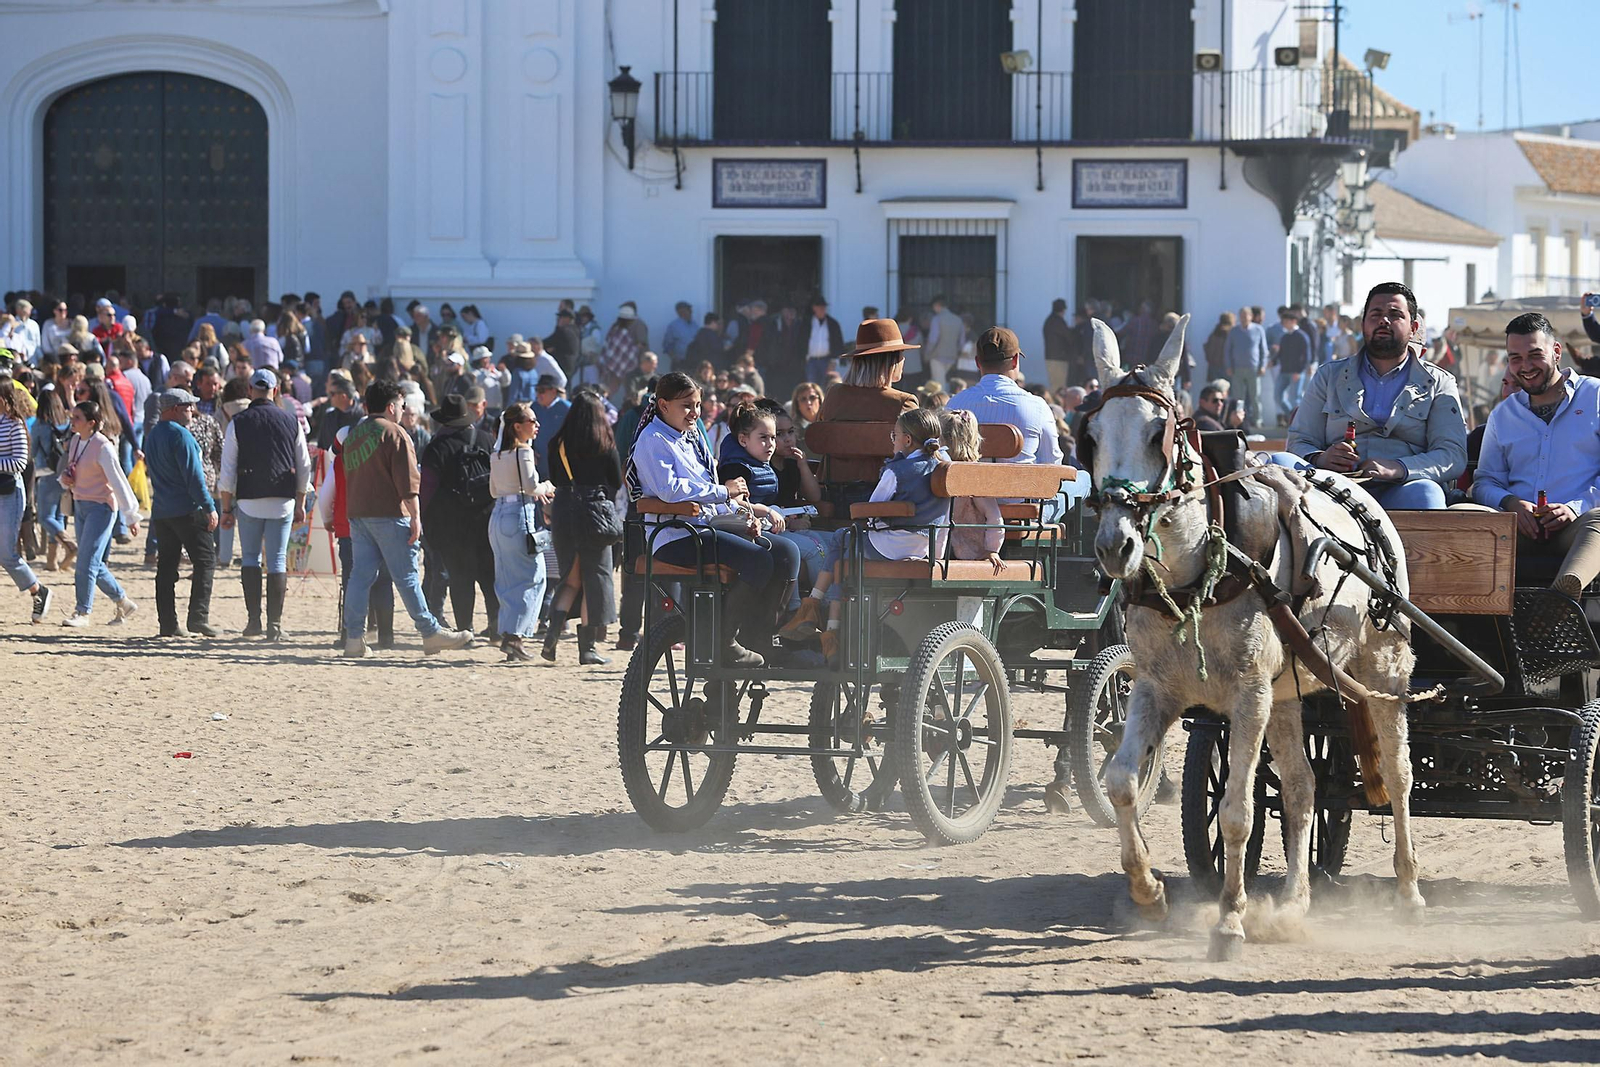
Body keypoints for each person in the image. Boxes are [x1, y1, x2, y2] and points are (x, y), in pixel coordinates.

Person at [626, 372, 798, 667]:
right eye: (687, 406)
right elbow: (671, 491)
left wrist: (741, 516)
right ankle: (724, 640)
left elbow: (709, 495)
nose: (695, 413)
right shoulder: (652, 439)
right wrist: (723, 491)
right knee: (759, 559)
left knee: (786, 552)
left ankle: (760, 637)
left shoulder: (689, 438)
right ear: (664, 405)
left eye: (697, 405)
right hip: (675, 535)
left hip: (703, 528)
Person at [779, 408, 950, 664]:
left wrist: (867, 521)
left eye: (894, 435)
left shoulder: (898, 470)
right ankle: (824, 624)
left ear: (906, 440)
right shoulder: (941, 467)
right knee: (845, 551)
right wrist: (935, 557)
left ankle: (815, 611)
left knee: (842, 538)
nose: (892, 440)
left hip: (889, 546)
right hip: (922, 547)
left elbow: (872, 507)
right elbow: (945, 518)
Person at [1280, 282, 1466, 510]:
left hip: (1401, 489)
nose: (1383, 321)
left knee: (1427, 494)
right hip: (1332, 489)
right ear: (1363, 324)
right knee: (1278, 462)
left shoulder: (1439, 382)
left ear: (1413, 327)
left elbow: (1451, 455)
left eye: (1395, 315)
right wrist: (1321, 458)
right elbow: (1300, 440)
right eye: (1376, 314)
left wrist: (1398, 468)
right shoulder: (1329, 375)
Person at [340, 379, 474, 658]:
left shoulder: (354, 434)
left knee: (360, 577)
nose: (403, 410)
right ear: (391, 407)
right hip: (390, 514)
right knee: (407, 577)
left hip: (359, 513)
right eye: (401, 405)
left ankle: (353, 638)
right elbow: (409, 483)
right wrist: (416, 517)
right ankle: (429, 632)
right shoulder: (396, 434)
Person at [1472, 312, 1600, 597]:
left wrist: (1574, 508)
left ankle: (1562, 598)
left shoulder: (1595, 395)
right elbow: (1484, 483)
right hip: (1517, 528)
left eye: (1534, 355)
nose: (1525, 366)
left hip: (1579, 526)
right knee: (1461, 515)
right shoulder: (1503, 415)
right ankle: (1462, 619)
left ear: (1556, 352)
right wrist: (1512, 503)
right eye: (1515, 358)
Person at [219, 368, 312, 641]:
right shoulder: (290, 420)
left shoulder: (238, 421)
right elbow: (304, 465)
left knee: (250, 558)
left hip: (248, 498)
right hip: (282, 498)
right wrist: (301, 501)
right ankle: (275, 625)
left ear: (250, 391)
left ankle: (253, 621)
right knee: (278, 560)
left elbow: (228, 471)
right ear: (275, 391)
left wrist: (226, 508)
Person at [544, 391, 623, 664]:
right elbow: (616, 479)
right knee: (594, 581)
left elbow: (554, 478)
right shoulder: (603, 442)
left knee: (570, 578)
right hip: (593, 511)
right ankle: (587, 650)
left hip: (564, 509)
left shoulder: (559, 442)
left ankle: (551, 636)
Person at [419, 394, 500, 639]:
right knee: (490, 578)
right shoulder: (487, 440)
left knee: (460, 579)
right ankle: (496, 627)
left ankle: (466, 629)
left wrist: (422, 518)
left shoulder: (437, 447)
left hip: (451, 525)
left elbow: (427, 488)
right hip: (486, 519)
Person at [143, 389, 220, 637]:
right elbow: (194, 479)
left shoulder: (153, 435)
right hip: (187, 509)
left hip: (163, 511)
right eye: (188, 407)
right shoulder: (181, 436)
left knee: (166, 568)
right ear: (175, 408)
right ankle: (198, 617)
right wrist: (209, 506)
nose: (192, 411)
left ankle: (168, 623)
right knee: (206, 561)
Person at [57, 400, 140, 626]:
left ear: (91, 423)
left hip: (102, 508)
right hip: (81, 504)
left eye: (77, 418)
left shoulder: (103, 446)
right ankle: (122, 601)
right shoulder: (75, 441)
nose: (72, 421)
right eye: (72, 417)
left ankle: (83, 612)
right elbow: (71, 469)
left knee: (86, 561)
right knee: (92, 561)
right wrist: (65, 479)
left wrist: (131, 516)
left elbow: (119, 482)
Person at [488, 401, 555, 662]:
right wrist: (546, 486)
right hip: (519, 515)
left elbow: (494, 490)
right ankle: (515, 636)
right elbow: (530, 486)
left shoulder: (498, 454)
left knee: (506, 578)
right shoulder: (524, 452)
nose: (536, 426)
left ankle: (509, 633)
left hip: (498, 515)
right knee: (533, 576)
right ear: (517, 427)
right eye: (532, 422)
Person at [817, 319, 919, 485]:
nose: (903, 360)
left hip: (832, 491)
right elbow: (915, 455)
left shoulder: (833, 394)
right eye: (901, 354)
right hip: (882, 496)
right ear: (892, 361)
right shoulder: (904, 402)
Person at [0, 381, 53, 622]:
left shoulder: (15, 424)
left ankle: (38, 590)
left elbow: (20, 463)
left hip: (10, 493)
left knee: (7, 554)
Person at [941, 408, 1006, 574]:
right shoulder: (968, 473)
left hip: (959, 548)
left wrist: (992, 550)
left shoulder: (970, 475)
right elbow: (994, 516)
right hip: (955, 545)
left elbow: (993, 516)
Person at [30, 382, 74, 572]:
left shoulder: (40, 425)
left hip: (46, 473)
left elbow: (32, 451)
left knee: (45, 516)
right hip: (65, 472)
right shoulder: (68, 422)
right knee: (57, 515)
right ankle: (52, 561)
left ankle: (69, 545)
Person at [1225, 305, 1268, 433]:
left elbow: (1263, 350)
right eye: (1242, 316)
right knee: (1238, 397)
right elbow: (1227, 350)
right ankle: (1240, 421)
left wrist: (1263, 365)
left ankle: (1257, 420)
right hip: (1237, 369)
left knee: (1255, 396)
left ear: (1251, 316)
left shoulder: (1258, 330)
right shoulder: (1234, 331)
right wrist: (1228, 366)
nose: (1244, 318)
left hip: (1253, 368)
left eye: (1246, 315)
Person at [1272, 310, 1312, 423]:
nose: (1284, 323)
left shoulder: (1302, 336)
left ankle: (1299, 422)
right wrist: (1273, 361)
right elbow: (1281, 353)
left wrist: (1299, 371)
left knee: (1295, 398)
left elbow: (1306, 355)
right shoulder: (1284, 337)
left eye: (1286, 321)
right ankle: (1292, 415)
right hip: (1284, 371)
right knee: (1277, 396)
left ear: (1294, 321)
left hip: (1296, 372)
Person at [803, 295, 845, 384]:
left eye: (824, 307)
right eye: (819, 307)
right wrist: (804, 358)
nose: (822, 309)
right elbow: (801, 341)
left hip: (827, 361)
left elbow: (838, 343)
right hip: (811, 361)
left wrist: (834, 361)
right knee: (812, 386)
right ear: (814, 308)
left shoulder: (833, 324)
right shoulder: (807, 323)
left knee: (827, 387)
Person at [924, 295, 963, 389]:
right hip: (952, 356)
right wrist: (957, 352)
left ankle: (941, 402)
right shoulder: (958, 320)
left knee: (938, 384)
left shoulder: (937, 319)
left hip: (937, 355)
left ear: (938, 306)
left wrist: (927, 353)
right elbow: (961, 341)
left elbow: (933, 339)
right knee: (942, 381)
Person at [1041, 298, 1073, 394]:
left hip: (1050, 356)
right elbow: (1069, 337)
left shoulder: (1049, 320)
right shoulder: (1058, 321)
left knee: (1054, 384)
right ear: (1063, 310)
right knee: (1059, 386)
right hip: (1059, 358)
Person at [661, 301, 697, 370]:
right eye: (688, 309)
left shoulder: (695, 325)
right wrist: (674, 358)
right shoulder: (674, 326)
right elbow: (667, 345)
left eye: (690, 310)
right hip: (680, 362)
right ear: (680, 311)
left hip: (693, 362)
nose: (690, 311)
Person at [1204, 311, 1234, 383]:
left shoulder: (1214, 333)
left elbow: (1207, 348)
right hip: (1227, 367)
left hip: (1213, 366)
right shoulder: (1231, 334)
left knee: (1215, 389)